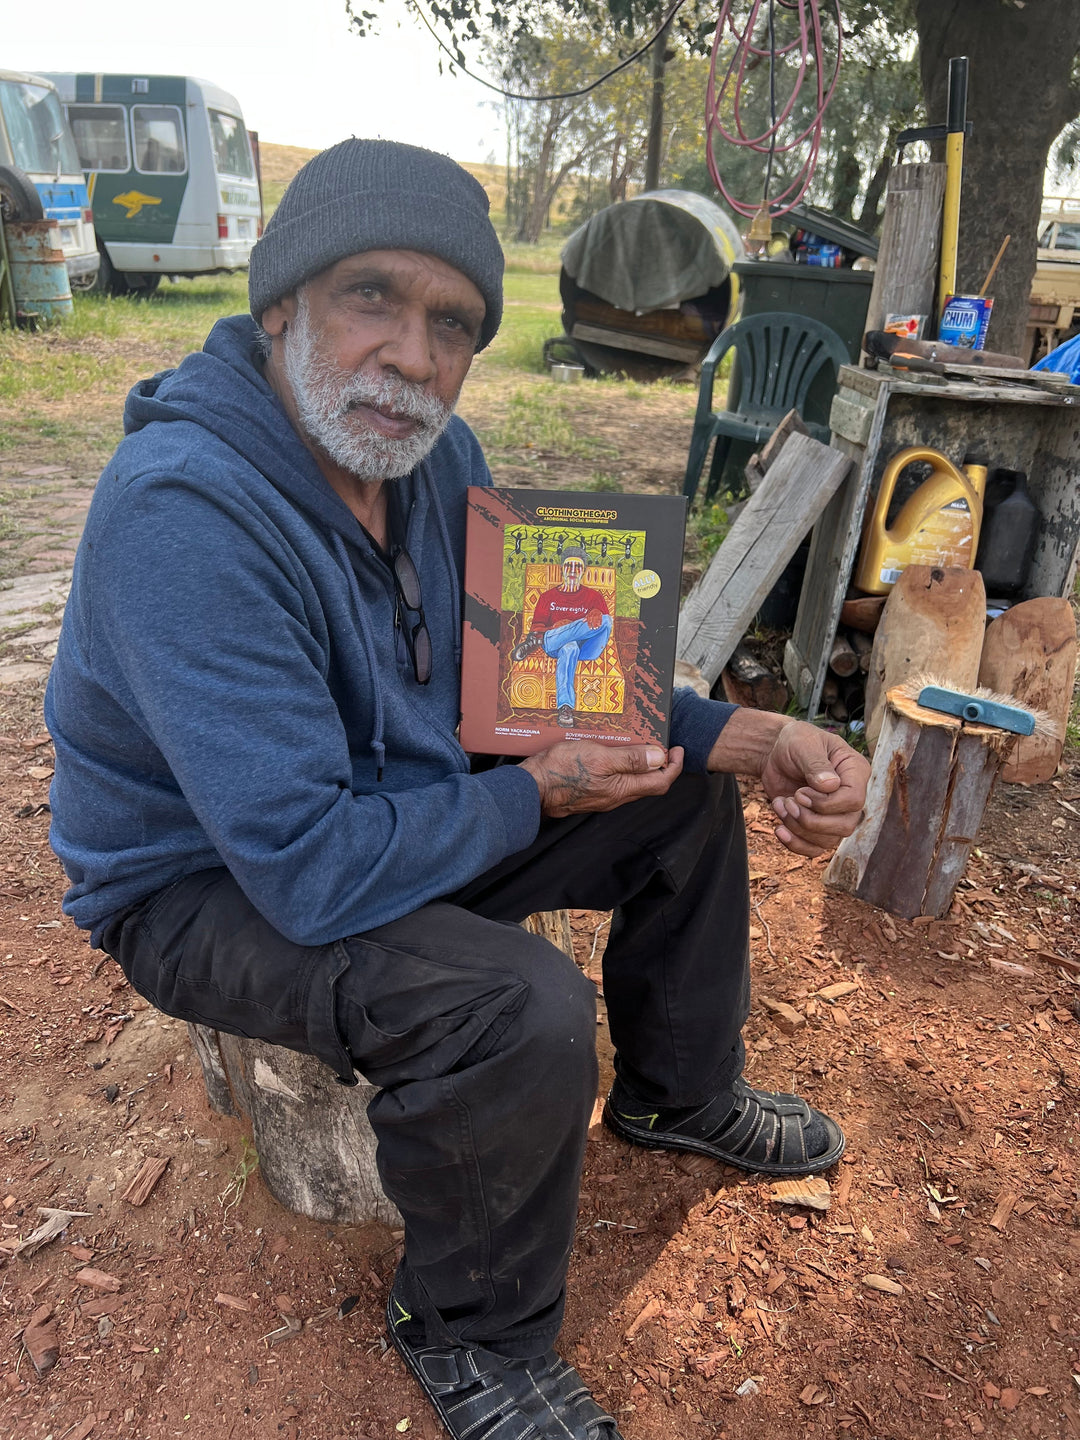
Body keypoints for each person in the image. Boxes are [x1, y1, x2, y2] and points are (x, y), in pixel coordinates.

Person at [45, 139, 870, 1440]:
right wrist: (536, 794)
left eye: (454, 323)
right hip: (210, 882)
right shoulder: (184, 515)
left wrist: (751, 741)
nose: (415, 356)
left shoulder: (439, 457)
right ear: (281, 305)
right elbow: (310, 868)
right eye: (372, 296)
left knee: (679, 793)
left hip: (398, 800)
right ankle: (473, 1330)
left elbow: (550, 683)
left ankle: (678, 1090)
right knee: (518, 1007)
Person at [511, 546, 613, 726]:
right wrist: (555, 627)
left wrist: (592, 613)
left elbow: (602, 625)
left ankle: (537, 640)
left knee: (606, 620)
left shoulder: (594, 596)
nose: (573, 570)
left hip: (587, 648)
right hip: (555, 647)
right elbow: (537, 625)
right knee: (569, 646)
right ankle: (565, 707)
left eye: (578, 566)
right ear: (562, 569)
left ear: (584, 571)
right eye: (569, 566)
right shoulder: (547, 596)